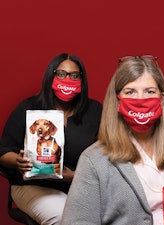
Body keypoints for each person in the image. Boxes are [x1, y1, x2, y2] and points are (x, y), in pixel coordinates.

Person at [61, 55, 164, 225]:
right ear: (117, 101)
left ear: (162, 99)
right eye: (130, 92)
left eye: (150, 91)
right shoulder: (93, 160)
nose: (141, 99)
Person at [0, 53, 103, 225]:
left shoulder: (94, 111)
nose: (67, 79)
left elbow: (107, 155)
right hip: (32, 186)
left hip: (81, 187)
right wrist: (19, 160)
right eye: (61, 73)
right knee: (65, 217)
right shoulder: (28, 108)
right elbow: (3, 152)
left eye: (74, 75)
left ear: (82, 80)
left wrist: (76, 176)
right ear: (51, 76)